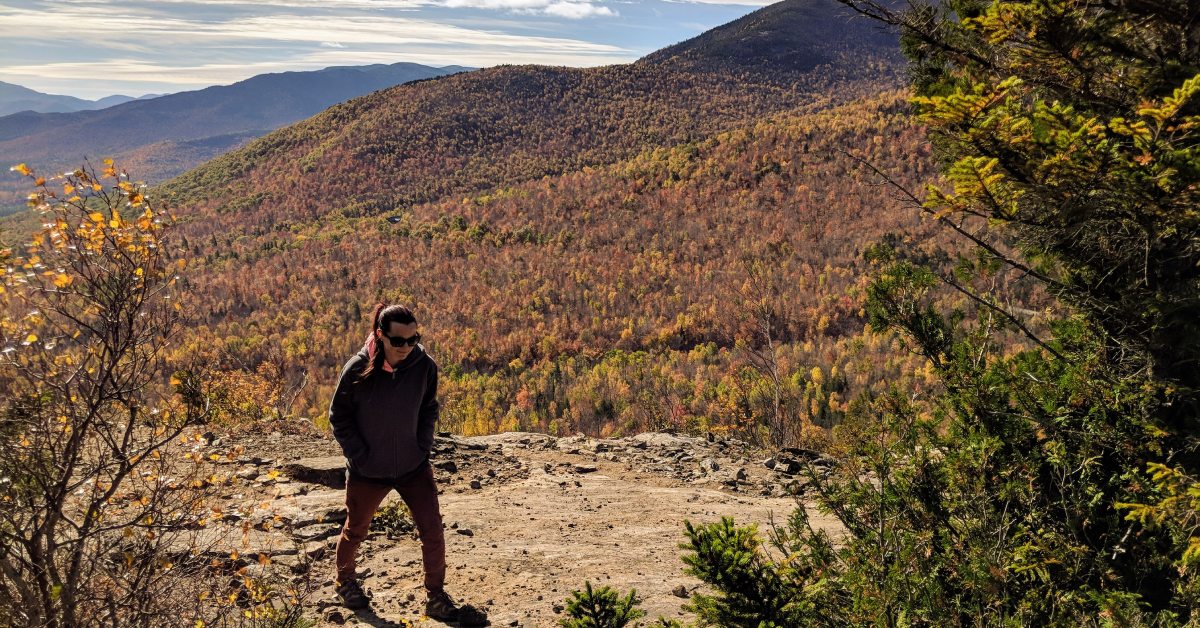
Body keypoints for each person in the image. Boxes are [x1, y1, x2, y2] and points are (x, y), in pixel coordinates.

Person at [328, 303, 469, 620]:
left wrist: (421, 446)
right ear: (380, 335)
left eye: (413, 339)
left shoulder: (424, 366)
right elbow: (339, 417)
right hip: (368, 472)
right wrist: (361, 456)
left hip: (413, 467)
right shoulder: (357, 369)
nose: (407, 347)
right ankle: (345, 582)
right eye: (399, 341)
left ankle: (436, 596)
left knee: (432, 530)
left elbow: (429, 408)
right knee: (356, 530)